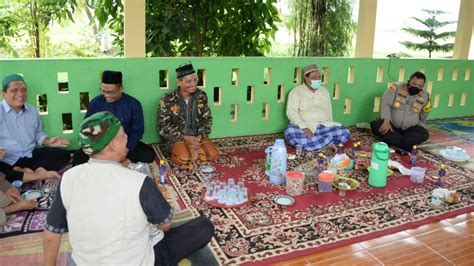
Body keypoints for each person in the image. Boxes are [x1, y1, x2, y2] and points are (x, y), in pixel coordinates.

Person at [43, 111, 214, 266]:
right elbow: (166, 225)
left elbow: (51, 236)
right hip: (141, 261)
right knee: (203, 226)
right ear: (111, 145)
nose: (127, 138)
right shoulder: (139, 182)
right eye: (123, 134)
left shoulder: (69, 178)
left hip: (84, 263)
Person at [72, 70, 155, 166]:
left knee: (148, 155)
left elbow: (137, 131)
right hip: (101, 146)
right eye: (103, 91)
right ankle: (115, 163)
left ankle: (124, 162)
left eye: (111, 92)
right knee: (78, 158)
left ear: (121, 88)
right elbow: (88, 130)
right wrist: (99, 150)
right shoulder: (95, 103)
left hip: (124, 144)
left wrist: (125, 150)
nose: (107, 96)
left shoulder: (134, 105)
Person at [0, 74, 71, 183]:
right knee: (2, 172)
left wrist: (47, 141)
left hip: (30, 155)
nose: (20, 94)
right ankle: (38, 174)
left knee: (63, 155)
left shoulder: (32, 110)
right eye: (14, 90)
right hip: (8, 159)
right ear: (3, 94)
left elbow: (38, 132)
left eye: (24, 90)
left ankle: (25, 172)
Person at [158, 63, 218, 169]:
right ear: (179, 82)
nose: (193, 84)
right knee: (187, 158)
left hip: (197, 137)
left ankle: (192, 148)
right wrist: (185, 138)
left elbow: (207, 119)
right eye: (188, 81)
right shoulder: (167, 98)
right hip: (177, 138)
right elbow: (163, 127)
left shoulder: (201, 96)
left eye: (195, 80)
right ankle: (185, 151)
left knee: (212, 154)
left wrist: (200, 136)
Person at [284, 64, 350, 151]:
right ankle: (328, 143)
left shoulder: (324, 91)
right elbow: (291, 112)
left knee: (345, 132)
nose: (317, 80)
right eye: (314, 77)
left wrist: (330, 125)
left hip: (323, 126)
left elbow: (328, 110)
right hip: (305, 126)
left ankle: (319, 143)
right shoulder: (296, 91)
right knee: (289, 132)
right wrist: (303, 126)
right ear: (306, 78)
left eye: (319, 77)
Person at [370, 71, 431, 151]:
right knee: (377, 124)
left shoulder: (425, 96)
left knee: (424, 134)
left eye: (419, 86)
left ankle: (395, 141)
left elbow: (424, 113)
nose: (416, 87)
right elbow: (386, 104)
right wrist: (386, 120)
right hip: (391, 126)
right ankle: (404, 143)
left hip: (410, 129)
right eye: (413, 84)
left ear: (422, 87)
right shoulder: (395, 88)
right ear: (409, 81)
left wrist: (419, 127)